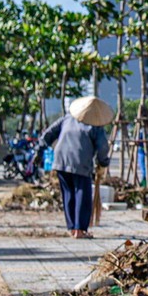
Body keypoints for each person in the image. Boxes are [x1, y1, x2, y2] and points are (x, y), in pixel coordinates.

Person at [40, 98, 113, 238]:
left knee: (68, 194)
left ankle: (72, 227)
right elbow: (102, 147)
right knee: (82, 194)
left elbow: (48, 133)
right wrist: (103, 163)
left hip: (60, 160)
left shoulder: (67, 119)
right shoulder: (95, 126)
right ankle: (79, 230)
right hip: (80, 163)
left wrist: (41, 147)